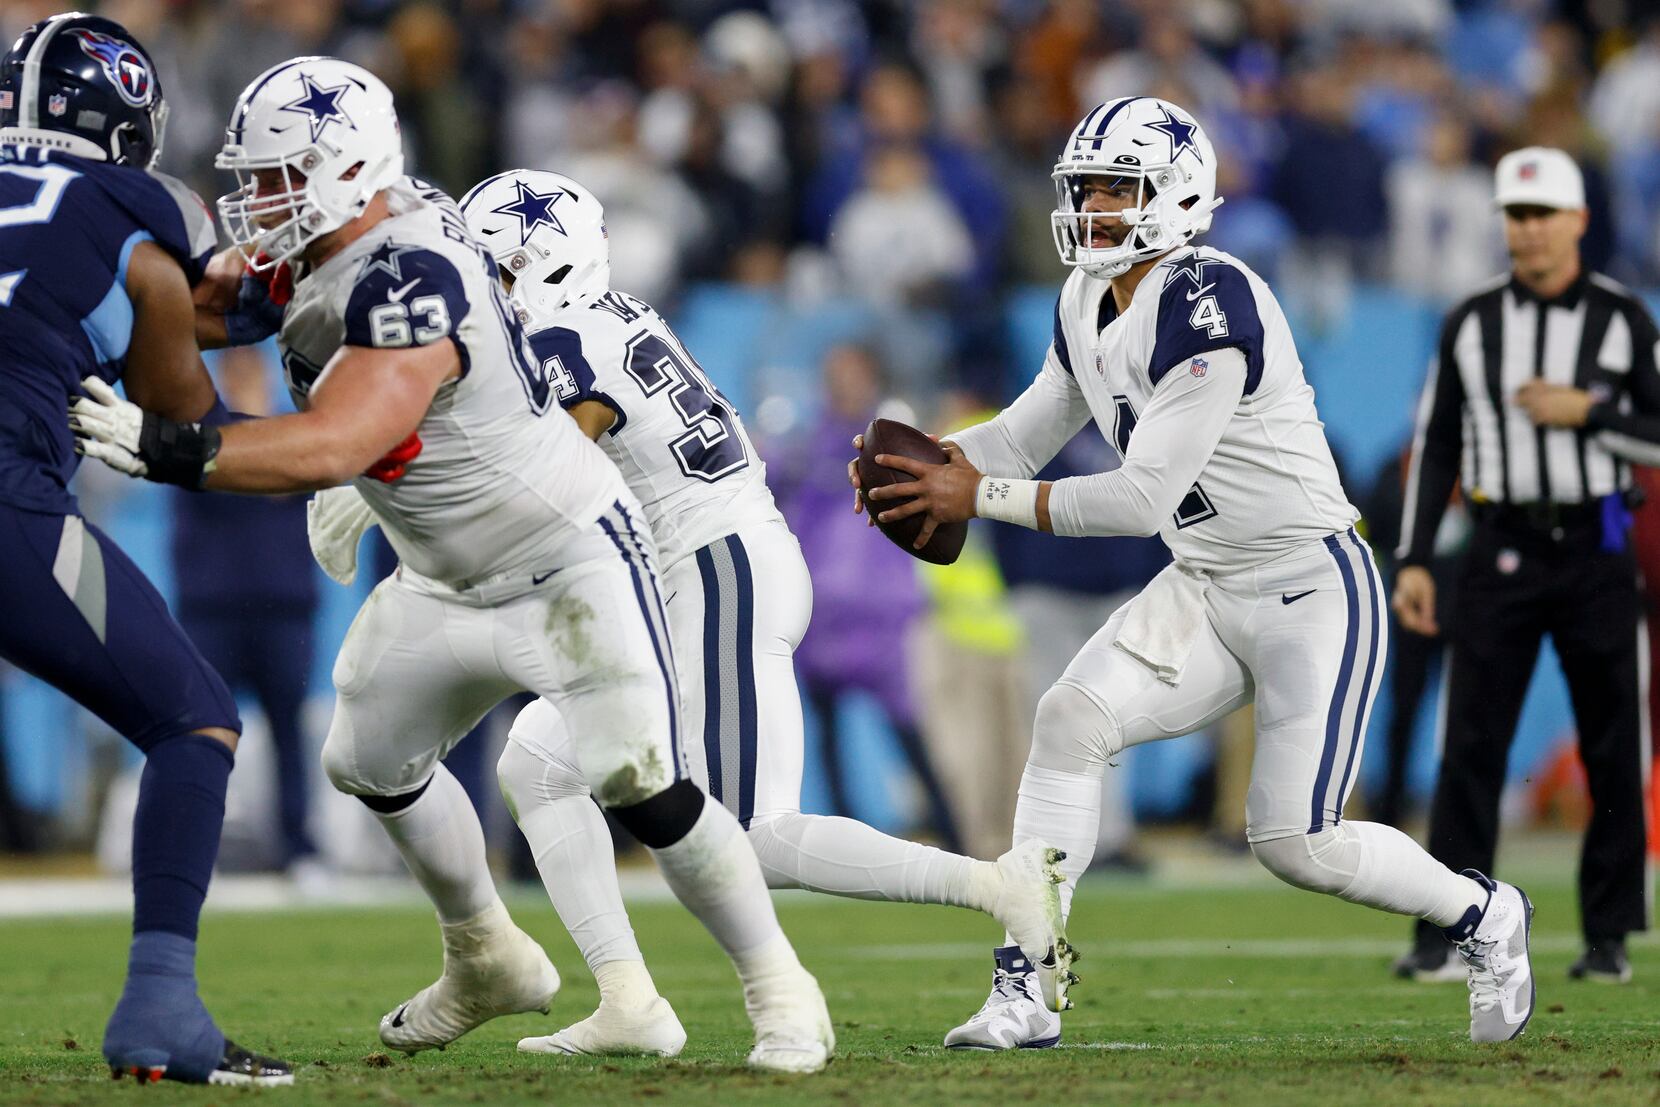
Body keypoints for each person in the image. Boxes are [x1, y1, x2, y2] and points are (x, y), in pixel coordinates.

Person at [71, 57, 831, 1074]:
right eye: (253, 179)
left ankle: (781, 991)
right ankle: (485, 955)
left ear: (348, 171)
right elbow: (204, 310)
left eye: (280, 178)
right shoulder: (327, 240)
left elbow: (341, 441)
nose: (257, 203)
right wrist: (87, 299)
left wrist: (170, 446)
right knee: (367, 759)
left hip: (562, 558)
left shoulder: (410, 271)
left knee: (640, 783)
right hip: (440, 571)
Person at [851, 96, 1535, 1049]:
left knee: (1297, 840)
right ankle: (1028, 986)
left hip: (1309, 582)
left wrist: (978, 497)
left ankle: (1483, 912)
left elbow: (1137, 495)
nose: (1092, 207)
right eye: (1084, 187)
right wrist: (930, 464)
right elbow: (1020, 437)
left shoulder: (1211, 296)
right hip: (1205, 581)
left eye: (1115, 188)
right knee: (1068, 718)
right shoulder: (1085, 297)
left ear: (1176, 196)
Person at [440, 169, 1063, 1044]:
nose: (480, 292)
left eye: (495, 270)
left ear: (541, 267)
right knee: (538, 764)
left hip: (715, 568)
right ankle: (627, 999)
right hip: (688, 573)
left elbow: (547, 484)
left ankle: (996, 886)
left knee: (748, 839)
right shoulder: (609, 315)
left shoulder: (561, 337)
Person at [0, 13, 290, 1085]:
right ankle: (162, 1007)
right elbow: (181, 403)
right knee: (194, 716)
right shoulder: (138, 201)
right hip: (5, 496)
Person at [1392, 147, 1659, 985]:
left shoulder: (1623, 318)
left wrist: (1591, 411)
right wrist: (1415, 558)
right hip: (1498, 548)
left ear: (1579, 220)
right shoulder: (1471, 320)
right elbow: (1436, 445)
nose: (1529, 230)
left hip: (1594, 547)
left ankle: (1607, 938)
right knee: (1470, 742)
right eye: (1516, 214)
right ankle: (1446, 930)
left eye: (1543, 214)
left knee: (1613, 741)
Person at [168, 345, 319, 874]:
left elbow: (305, 480)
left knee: (289, 733)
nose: (243, 379)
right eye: (233, 371)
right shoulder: (196, 434)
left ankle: (299, 849)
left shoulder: (295, 431)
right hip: (212, 610)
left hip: (284, 609)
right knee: (201, 731)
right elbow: (222, 484)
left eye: (250, 370)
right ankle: (191, 846)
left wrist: (256, 450)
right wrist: (255, 455)